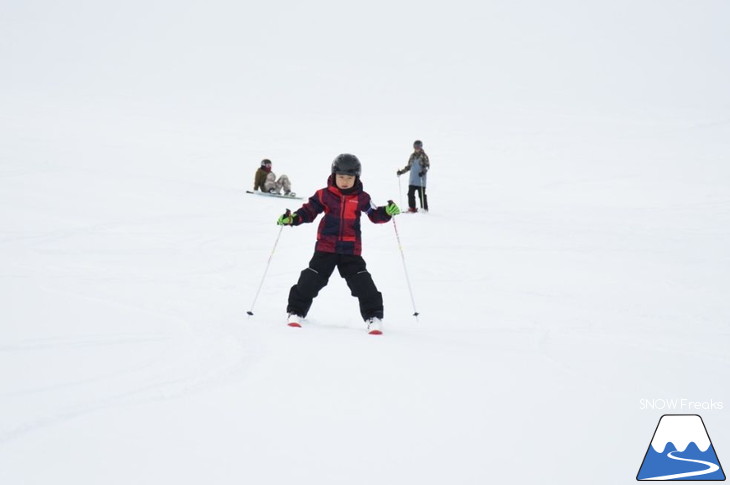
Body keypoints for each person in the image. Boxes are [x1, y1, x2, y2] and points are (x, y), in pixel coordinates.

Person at [276, 153, 401, 335]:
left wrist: (387, 212)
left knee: (362, 281)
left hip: (350, 250)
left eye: (349, 178)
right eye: (341, 177)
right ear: (334, 175)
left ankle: (373, 317)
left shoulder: (362, 198)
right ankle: (296, 311)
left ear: (356, 178)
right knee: (311, 278)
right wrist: (292, 218)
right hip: (326, 247)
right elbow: (308, 211)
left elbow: (375, 214)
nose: (344, 181)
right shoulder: (324, 195)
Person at [396, 140, 430, 212]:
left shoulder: (424, 156)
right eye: (415, 147)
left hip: (421, 179)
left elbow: (427, 166)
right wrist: (401, 172)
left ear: (421, 147)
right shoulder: (412, 156)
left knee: (421, 195)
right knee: (410, 194)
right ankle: (412, 208)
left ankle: (424, 208)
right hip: (413, 180)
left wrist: (423, 172)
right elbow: (409, 167)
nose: (416, 148)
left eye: (418, 146)